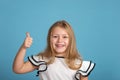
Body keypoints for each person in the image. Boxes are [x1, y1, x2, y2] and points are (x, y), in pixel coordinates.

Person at [13, 20, 95, 80]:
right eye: (55, 36)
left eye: (64, 37)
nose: (60, 41)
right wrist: (23, 48)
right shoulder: (42, 59)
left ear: (71, 40)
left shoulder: (79, 65)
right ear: (49, 39)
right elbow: (18, 69)